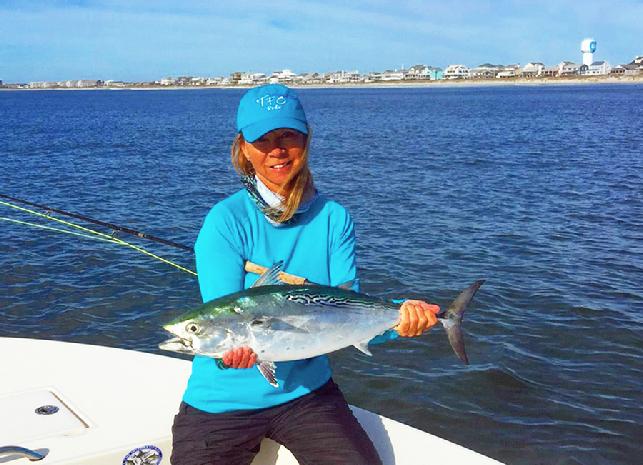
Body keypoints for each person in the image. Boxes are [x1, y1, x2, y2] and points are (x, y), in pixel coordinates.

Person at [171, 83, 440, 465]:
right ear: (244, 150)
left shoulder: (334, 218)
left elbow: (349, 315)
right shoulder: (225, 222)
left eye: (288, 135)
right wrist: (225, 356)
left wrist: (400, 318)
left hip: (307, 395)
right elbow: (220, 320)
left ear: (306, 139)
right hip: (222, 400)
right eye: (262, 139)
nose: (276, 150)